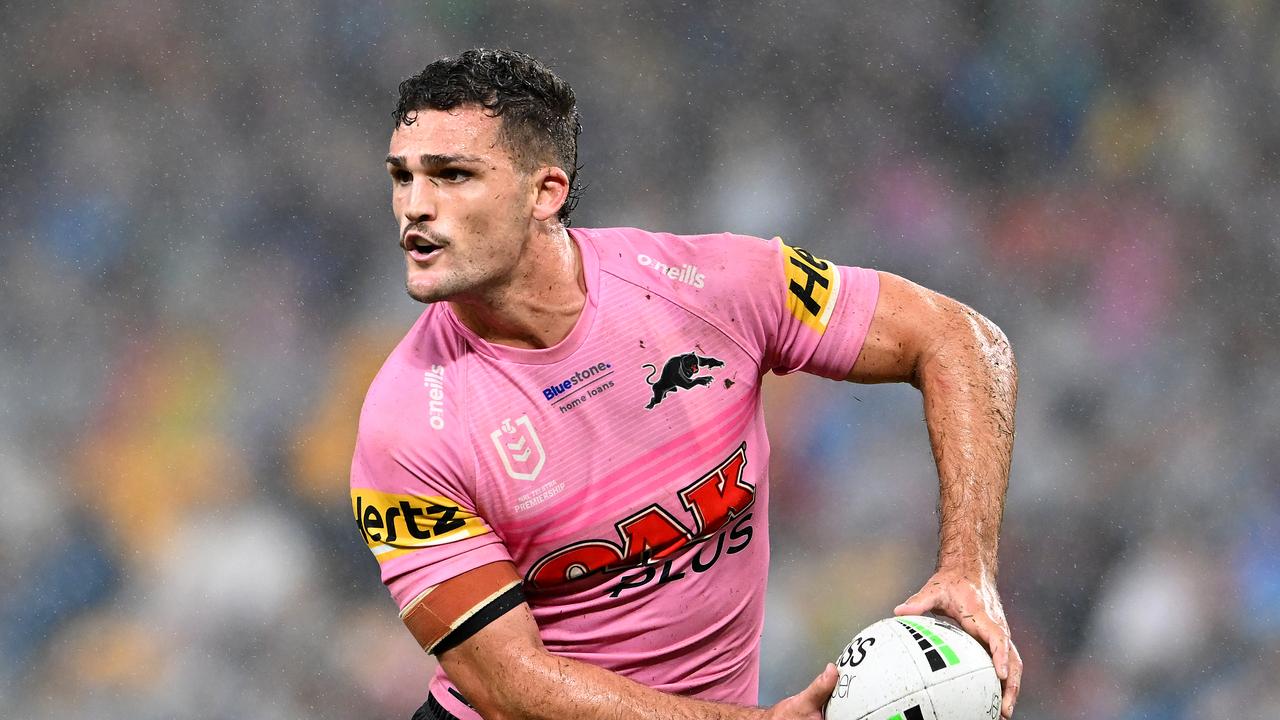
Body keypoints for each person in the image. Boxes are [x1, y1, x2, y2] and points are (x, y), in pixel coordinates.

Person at [349, 48, 1022, 720]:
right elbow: (509, 689)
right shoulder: (404, 426)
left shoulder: (711, 290)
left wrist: (968, 570)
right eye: (402, 177)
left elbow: (963, 339)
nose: (415, 207)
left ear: (544, 192)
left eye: (452, 175)